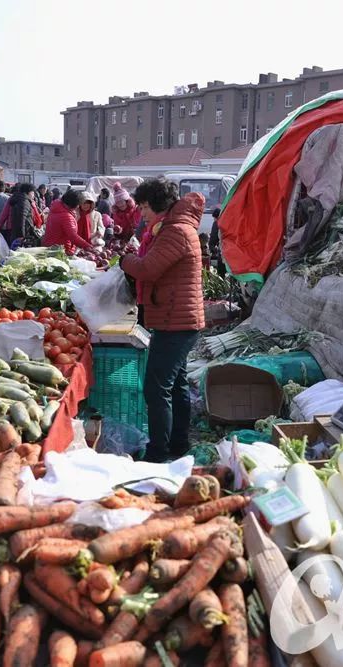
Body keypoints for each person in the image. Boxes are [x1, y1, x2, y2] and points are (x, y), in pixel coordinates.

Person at [120, 178, 206, 462]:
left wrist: (125, 261)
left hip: (176, 323)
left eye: (144, 206)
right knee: (175, 383)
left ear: (158, 205)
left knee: (156, 387)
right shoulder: (172, 229)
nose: (141, 213)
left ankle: (158, 452)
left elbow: (148, 269)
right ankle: (178, 444)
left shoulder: (175, 232)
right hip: (177, 319)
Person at [0, 182, 41, 247]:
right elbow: (21, 220)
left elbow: (3, 216)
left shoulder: (16, 198)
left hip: (12, 230)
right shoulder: (24, 201)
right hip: (20, 233)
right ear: (28, 192)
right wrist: (21, 238)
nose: (33, 195)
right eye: (33, 193)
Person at [208, 206, 226, 277]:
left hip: (223, 252)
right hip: (233, 253)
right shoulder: (229, 221)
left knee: (221, 274)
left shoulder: (217, 223)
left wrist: (212, 248)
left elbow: (213, 238)